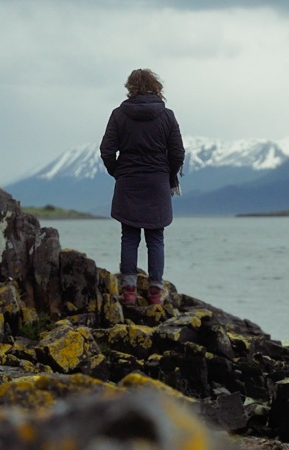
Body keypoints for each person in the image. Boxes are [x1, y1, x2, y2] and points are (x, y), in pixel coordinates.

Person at [99, 68, 185, 306]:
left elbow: (106, 151)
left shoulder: (118, 115)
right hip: (158, 182)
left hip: (128, 181)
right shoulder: (167, 116)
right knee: (156, 237)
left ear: (130, 87)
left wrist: (118, 172)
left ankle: (128, 291)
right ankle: (156, 291)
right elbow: (178, 153)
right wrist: (167, 175)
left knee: (129, 236)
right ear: (156, 86)